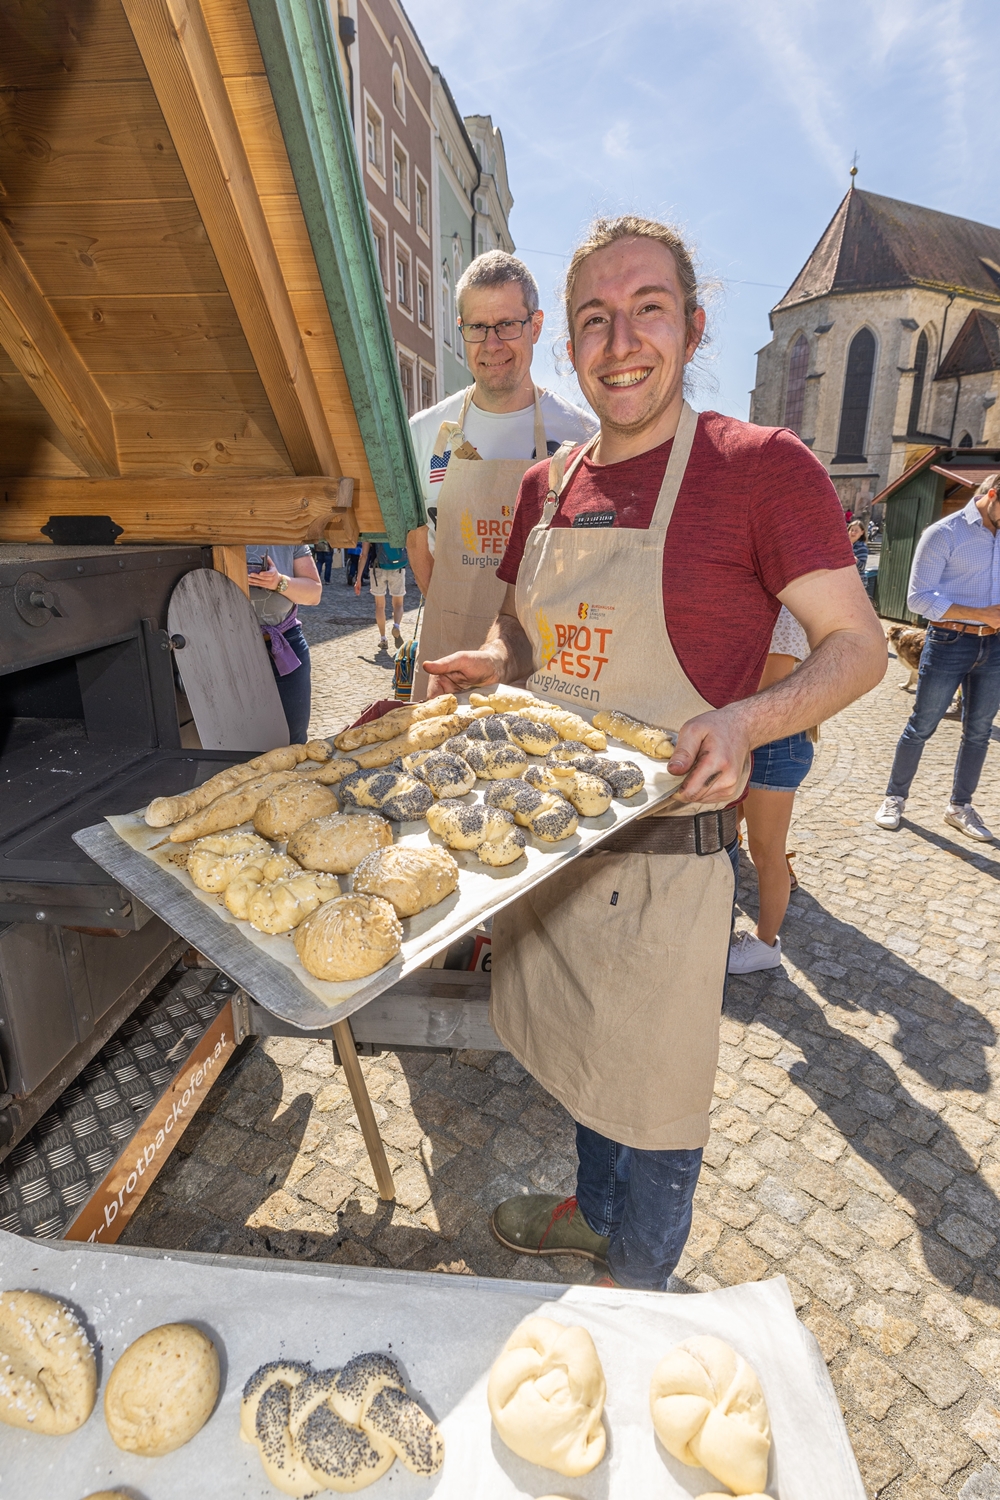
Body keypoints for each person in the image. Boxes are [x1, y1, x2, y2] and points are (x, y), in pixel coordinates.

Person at [423, 215, 886, 1293]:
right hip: (550, 851)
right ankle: (590, 1213)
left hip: (666, 861)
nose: (619, 338)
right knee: (582, 1068)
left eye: (647, 309)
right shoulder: (547, 485)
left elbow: (857, 646)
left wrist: (745, 721)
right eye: (593, 318)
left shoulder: (759, 468)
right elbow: (522, 636)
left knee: (657, 1101)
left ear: (692, 326)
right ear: (565, 342)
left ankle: (637, 1291)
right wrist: (487, 664)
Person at [405, 250, 596, 701]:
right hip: (446, 661)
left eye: (508, 325)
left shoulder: (584, 435)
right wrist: (455, 611)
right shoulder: (424, 432)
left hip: (541, 667)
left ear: (535, 325)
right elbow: (417, 540)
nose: (491, 343)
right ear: (461, 330)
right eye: (476, 328)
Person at [875, 474, 1000, 839]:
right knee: (921, 725)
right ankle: (894, 798)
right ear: (992, 495)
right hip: (949, 641)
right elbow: (917, 599)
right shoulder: (944, 533)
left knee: (978, 731)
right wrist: (979, 614)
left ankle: (959, 807)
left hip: (994, 647)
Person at [728, 607, 813, 975]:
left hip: (771, 740)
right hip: (756, 736)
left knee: (766, 852)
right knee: (725, 829)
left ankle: (765, 945)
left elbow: (770, 681)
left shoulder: (785, 611)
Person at [246, 544, 322, 744]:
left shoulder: (289, 533)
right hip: (230, 647)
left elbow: (314, 593)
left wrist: (279, 582)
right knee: (239, 738)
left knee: (293, 736)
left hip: (285, 644)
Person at [355, 540, 408, 652]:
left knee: (380, 606)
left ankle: (383, 639)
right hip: (397, 566)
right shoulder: (397, 524)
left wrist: (358, 578)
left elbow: (363, 555)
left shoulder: (370, 527)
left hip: (377, 567)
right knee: (398, 603)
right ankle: (396, 626)